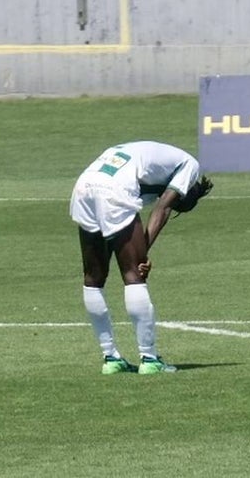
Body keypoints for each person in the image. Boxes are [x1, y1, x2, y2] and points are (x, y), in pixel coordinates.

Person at [69, 140, 213, 374]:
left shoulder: (155, 163)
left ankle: (111, 358)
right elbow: (163, 208)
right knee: (133, 274)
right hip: (113, 189)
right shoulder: (190, 166)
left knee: (93, 277)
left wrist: (138, 252)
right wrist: (141, 257)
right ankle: (150, 359)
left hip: (84, 186)